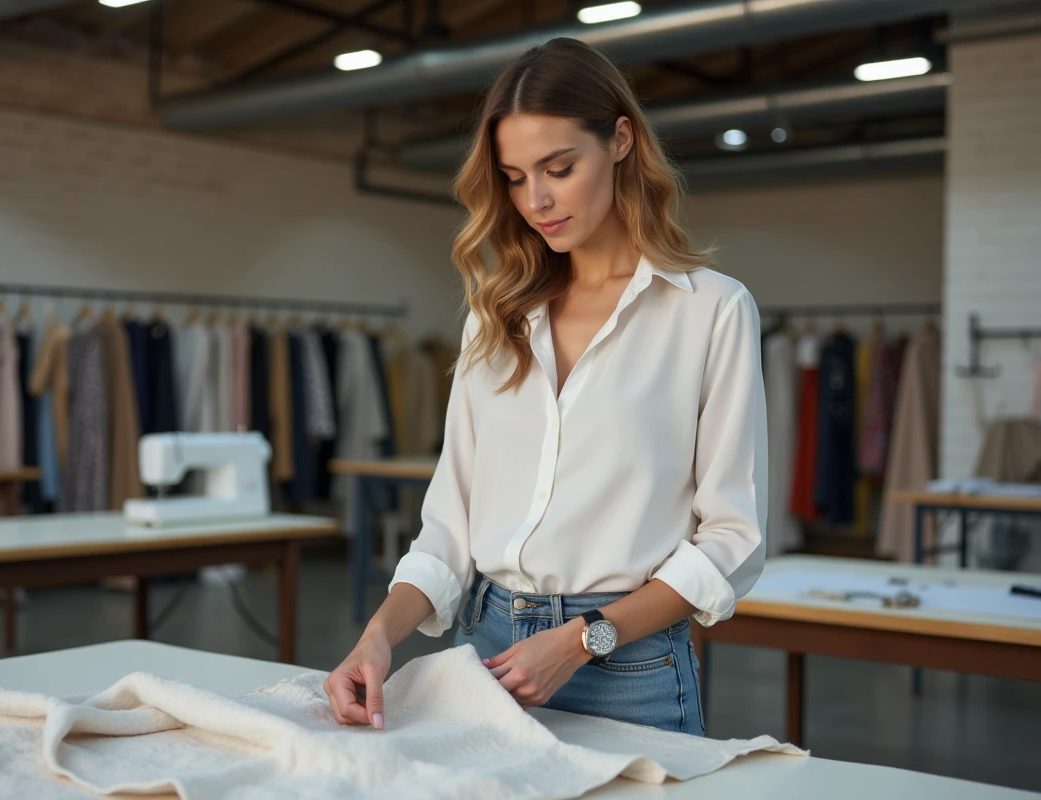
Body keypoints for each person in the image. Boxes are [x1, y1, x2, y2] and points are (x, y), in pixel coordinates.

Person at [323, 37, 768, 736]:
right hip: (485, 648)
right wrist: (378, 634)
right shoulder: (496, 316)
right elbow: (450, 521)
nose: (536, 200)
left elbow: (732, 539)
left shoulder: (710, 310)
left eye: (559, 168)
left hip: (629, 668)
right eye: (515, 176)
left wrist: (583, 639)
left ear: (620, 140)